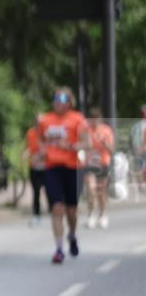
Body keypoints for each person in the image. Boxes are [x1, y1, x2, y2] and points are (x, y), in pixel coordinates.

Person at [37, 87, 89, 264]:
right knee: (57, 208)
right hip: (52, 167)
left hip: (72, 167)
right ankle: (59, 248)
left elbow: (86, 143)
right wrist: (42, 152)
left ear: (69, 102)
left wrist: (72, 147)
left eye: (62, 99)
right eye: (55, 99)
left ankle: (72, 235)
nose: (58, 102)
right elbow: (41, 140)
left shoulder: (78, 119)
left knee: (71, 210)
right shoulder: (46, 120)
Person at [84, 107, 115, 229]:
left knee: (101, 192)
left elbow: (111, 150)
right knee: (91, 190)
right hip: (91, 163)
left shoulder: (106, 131)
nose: (94, 122)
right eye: (92, 120)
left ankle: (102, 214)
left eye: (96, 120)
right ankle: (91, 214)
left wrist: (105, 144)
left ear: (100, 119)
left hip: (103, 163)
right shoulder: (86, 130)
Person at [22, 114, 48, 226]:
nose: (39, 124)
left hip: (47, 167)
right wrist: (25, 154)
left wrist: (42, 155)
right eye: (37, 121)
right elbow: (28, 147)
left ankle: (54, 212)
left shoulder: (47, 133)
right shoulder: (30, 133)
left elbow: (52, 149)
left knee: (50, 191)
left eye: (41, 122)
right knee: (36, 191)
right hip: (34, 167)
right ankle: (36, 215)